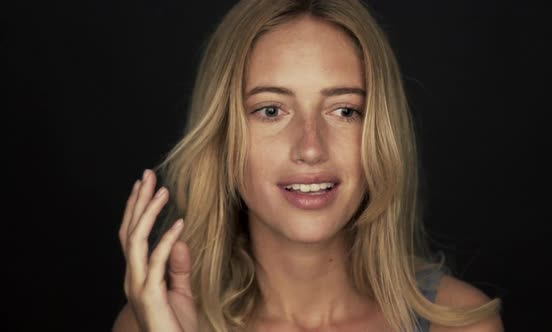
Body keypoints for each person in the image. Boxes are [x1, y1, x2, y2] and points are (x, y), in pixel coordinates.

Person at [113, 0, 503, 331]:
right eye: (270, 110)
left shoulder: (461, 321)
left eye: (345, 110)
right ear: (222, 137)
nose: (311, 148)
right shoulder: (152, 321)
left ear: (380, 136)